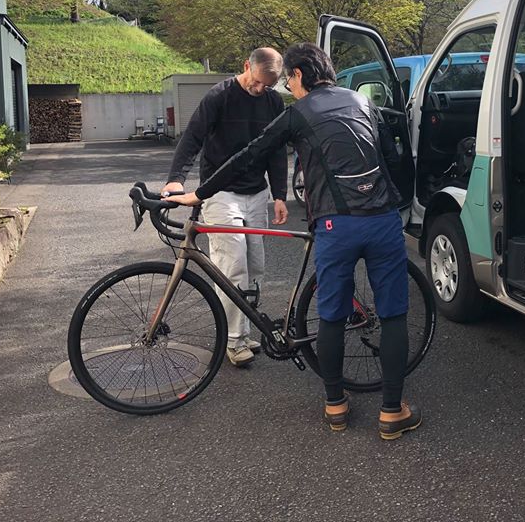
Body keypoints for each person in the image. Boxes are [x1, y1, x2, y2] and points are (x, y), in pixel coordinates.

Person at [173, 44, 422, 440]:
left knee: (331, 316)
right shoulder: (362, 101)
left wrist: (199, 193)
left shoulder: (296, 113)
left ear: (301, 76)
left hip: (335, 228)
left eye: (289, 80)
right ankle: (392, 412)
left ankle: (335, 405)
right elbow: (395, 157)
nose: (289, 87)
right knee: (392, 316)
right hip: (382, 221)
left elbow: (249, 156)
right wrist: (400, 203)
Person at [162, 48, 289, 367]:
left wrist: (280, 194)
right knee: (233, 264)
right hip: (220, 192)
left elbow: (275, 150)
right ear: (246, 66)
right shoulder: (219, 96)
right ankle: (234, 341)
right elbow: (192, 138)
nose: (262, 90)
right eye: (258, 82)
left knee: (255, 265)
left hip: (257, 192)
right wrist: (176, 179)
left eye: (269, 86)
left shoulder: (273, 101)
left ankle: (247, 331)